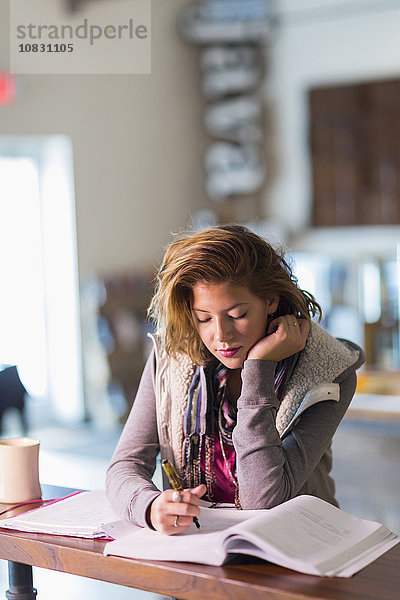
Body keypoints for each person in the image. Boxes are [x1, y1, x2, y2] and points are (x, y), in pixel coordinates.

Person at [106, 224, 364, 535]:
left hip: (297, 548)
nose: (221, 336)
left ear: (270, 300)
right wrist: (148, 506)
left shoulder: (328, 371)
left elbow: (263, 498)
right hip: (198, 548)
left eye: (237, 315)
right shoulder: (174, 355)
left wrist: (258, 366)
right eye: (204, 318)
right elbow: (125, 466)